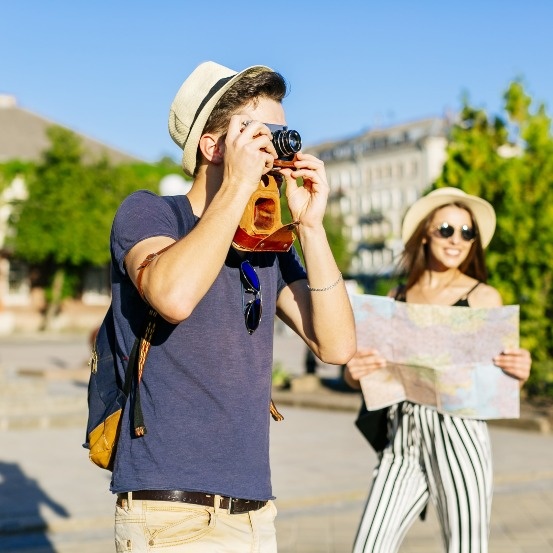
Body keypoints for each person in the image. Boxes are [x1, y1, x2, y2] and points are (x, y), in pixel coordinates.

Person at [108, 61, 356, 552]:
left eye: (278, 134)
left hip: (253, 513)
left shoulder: (266, 244)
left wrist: (310, 228)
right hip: (171, 514)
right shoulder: (153, 213)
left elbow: (338, 344)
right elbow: (173, 297)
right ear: (212, 145)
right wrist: (239, 185)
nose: (271, 146)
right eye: (255, 131)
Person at [344, 187, 531, 553]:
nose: (456, 239)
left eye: (467, 232)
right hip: (403, 438)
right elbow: (365, 375)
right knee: (369, 546)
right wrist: (355, 372)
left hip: (460, 434)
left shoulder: (482, 296)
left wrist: (518, 372)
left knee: (467, 548)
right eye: (446, 229)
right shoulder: (397, 296)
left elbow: (501, 384)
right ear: (425, 235)